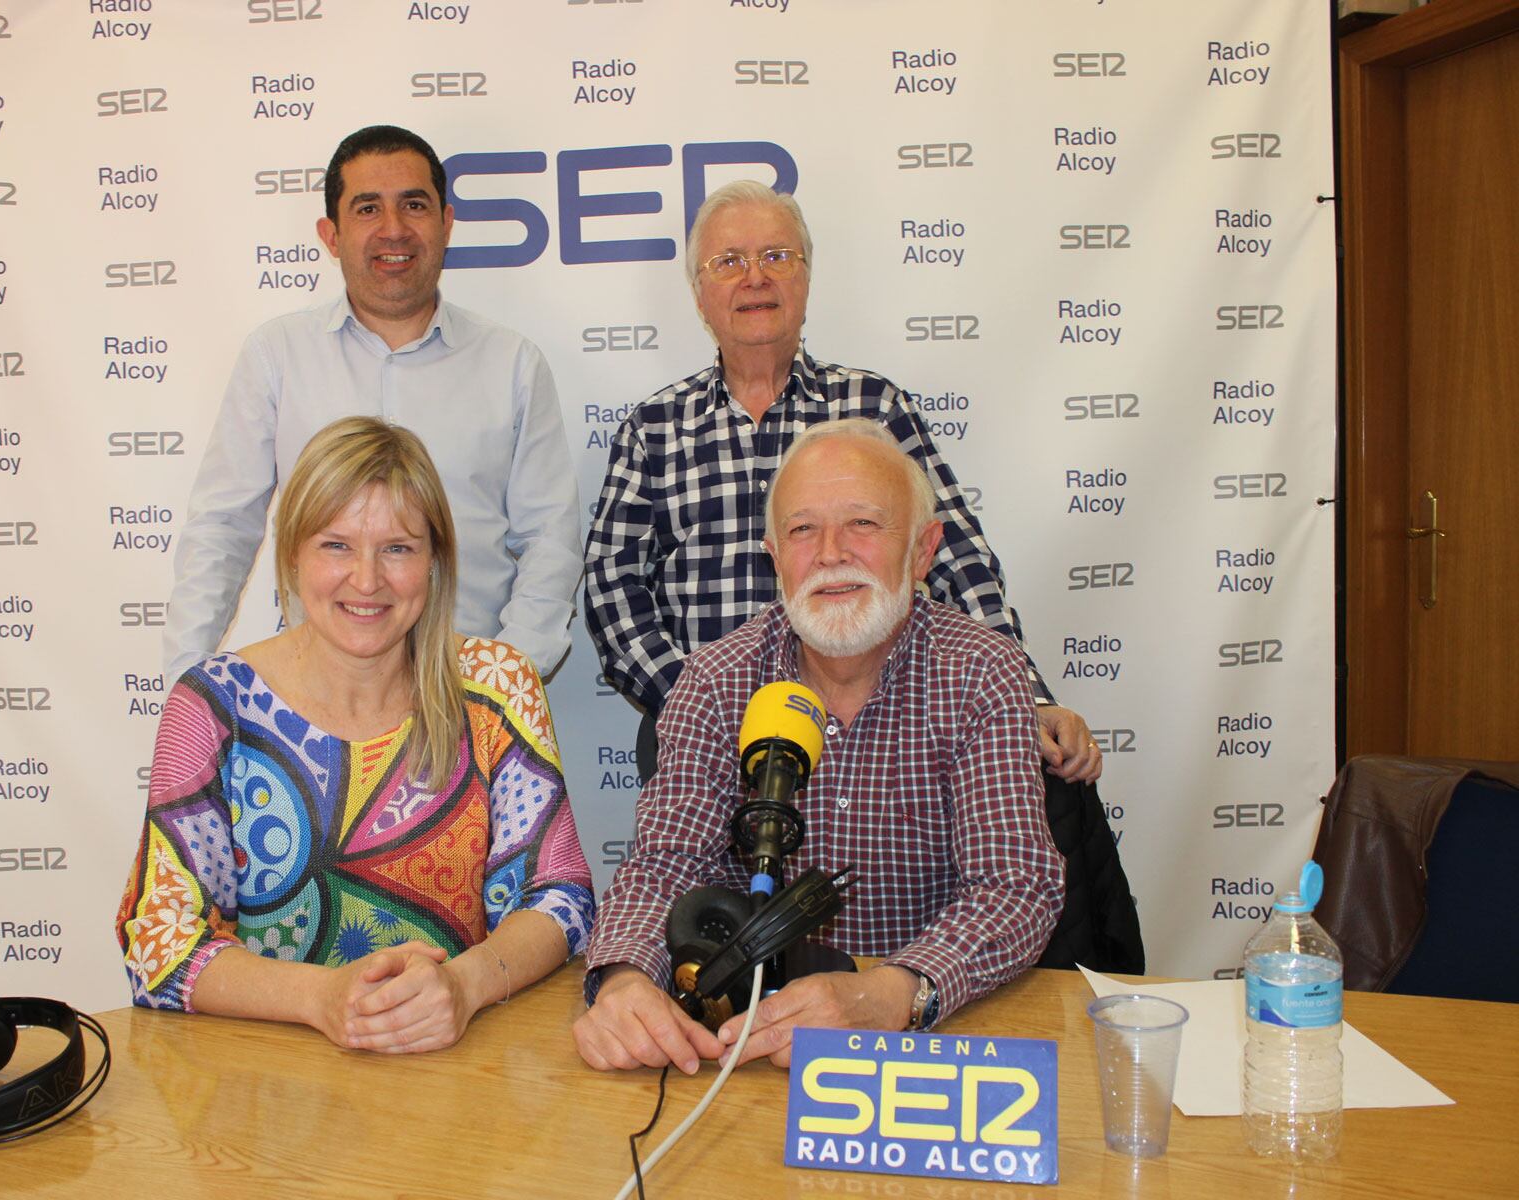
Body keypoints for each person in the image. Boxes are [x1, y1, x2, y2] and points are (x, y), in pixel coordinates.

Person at [574, 419, 1065, 1073]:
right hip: (744, 1050)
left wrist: (890, 994)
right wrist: (624, 980)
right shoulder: (718, 679)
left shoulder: (981, 670)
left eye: (863, 524)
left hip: (926, 1039)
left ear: (922, 552)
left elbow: (1014, 886)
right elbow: (664, 869)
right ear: (775, 557)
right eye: (803, 530)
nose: (831, 553)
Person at [583, 180, 1100, 783]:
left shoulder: (874, 407)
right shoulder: (655, 428)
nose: (755, 277)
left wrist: (1025, 699)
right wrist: (701, 709)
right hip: (705, 741)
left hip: (880, 729)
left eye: (776, 256)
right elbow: (611, 591)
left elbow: (957, 559)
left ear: (806, 278)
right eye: (729, 262)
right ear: (699, 294)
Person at [121, 417, 595, 1053]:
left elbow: (559, 898)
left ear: (434, 562)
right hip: (268, 1083)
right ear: (292, 553)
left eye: (397, 548)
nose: (367, 580)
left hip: (460, 1071)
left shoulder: (497, 688)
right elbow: (158, 940)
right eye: (336, 545)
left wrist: (463, 986)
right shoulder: (213, 705)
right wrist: (321, 999)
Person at [165, 124, 580, 681]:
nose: (393, 229)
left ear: (446, 223)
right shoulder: (277, 356)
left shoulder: (512, 364)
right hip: (316, 704)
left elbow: (551, 541)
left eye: (414, 205)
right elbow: (222, 528)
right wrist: (188, 683)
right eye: (367, 209)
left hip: (465, 693)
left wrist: (505, 680)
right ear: (331, 236)